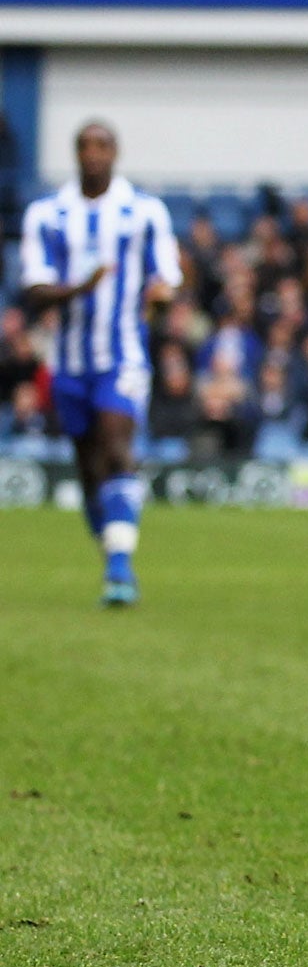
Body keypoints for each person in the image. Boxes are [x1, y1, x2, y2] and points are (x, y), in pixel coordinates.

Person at [17, 121, 181, 605]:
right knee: (89, 469)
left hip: (123, 354)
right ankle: (110, 538)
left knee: (116, 447)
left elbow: (166, 278)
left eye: (102, 146)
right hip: (68, 362)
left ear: (116, 153)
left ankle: (119, 570)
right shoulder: (47, 214)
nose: (94, 154)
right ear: (75, 154)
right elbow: (34, 288)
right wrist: (81, 289)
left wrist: (162, 295)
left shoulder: (145, 212)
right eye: (85, 146)